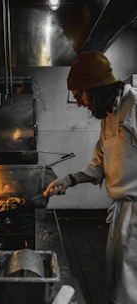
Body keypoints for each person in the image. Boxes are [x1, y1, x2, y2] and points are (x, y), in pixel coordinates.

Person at [44, 51, 137, 304]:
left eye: (80, 96)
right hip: (123, 216)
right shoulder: (108, 116)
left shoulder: (134, 107)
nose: (80, 104)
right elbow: (99, 165)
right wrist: (69, 180)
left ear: (96, 87)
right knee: (121, 288)